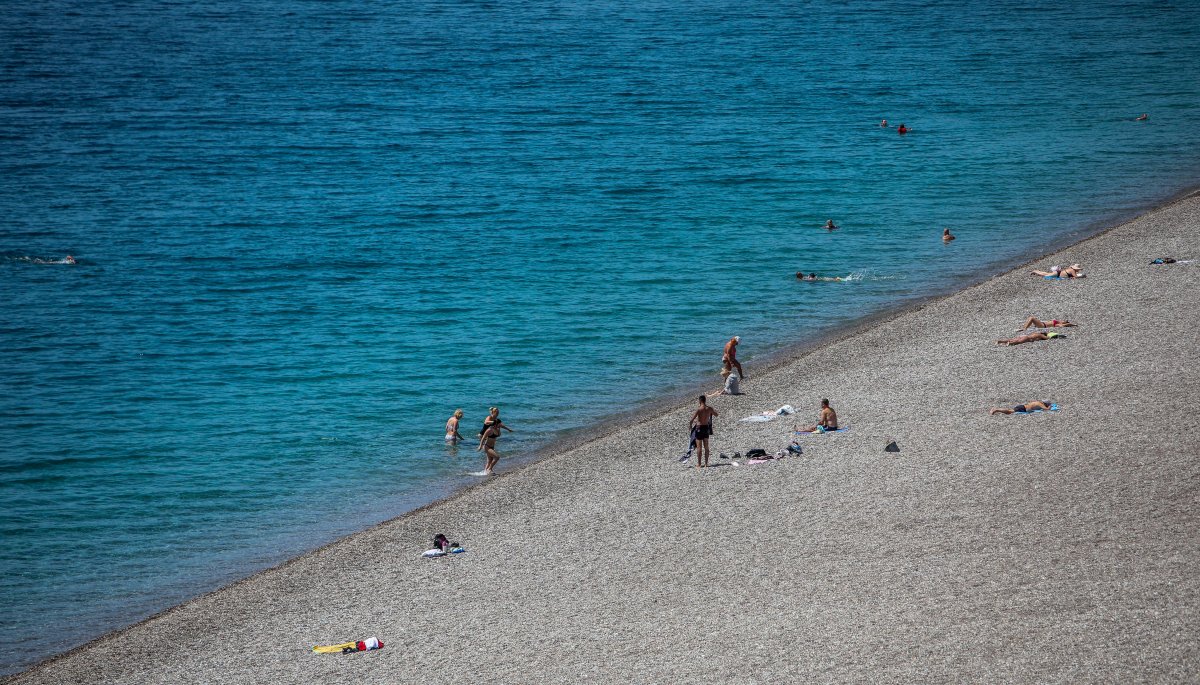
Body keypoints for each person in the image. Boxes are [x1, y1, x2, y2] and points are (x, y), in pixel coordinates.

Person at [477, 407, 514, 475]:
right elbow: (483, 437)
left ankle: (484, 473)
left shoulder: (497, 428)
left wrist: (508, 429)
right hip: (487, 446)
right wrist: (480, 446)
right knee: (497, 457)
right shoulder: (489, 429)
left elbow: (502, 425)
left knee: (489, 460)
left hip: (492, 446)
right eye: (496, 412)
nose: (499, 425)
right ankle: (489, 469)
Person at [689, 395, 719, 468]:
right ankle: (706, 463)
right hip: (706, 428)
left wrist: (690, 426)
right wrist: (710, 413)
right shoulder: (709, 408)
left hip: (699, 428)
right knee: (706, 446)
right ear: (705, 400)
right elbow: (716, 415)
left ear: (700, 401)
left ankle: (699, 464)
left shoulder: (699, 409)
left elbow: (691, 420)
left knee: (699, 447)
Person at [995, 331, 1063, 346]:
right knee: (1018, 342)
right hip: (1027, 337)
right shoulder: (1040, 335)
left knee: (1013, 339)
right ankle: (1009, 344)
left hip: (1024, 335)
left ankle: (1000, 341)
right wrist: (1052, 336)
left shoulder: (1035, 333)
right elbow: (1047, 338)